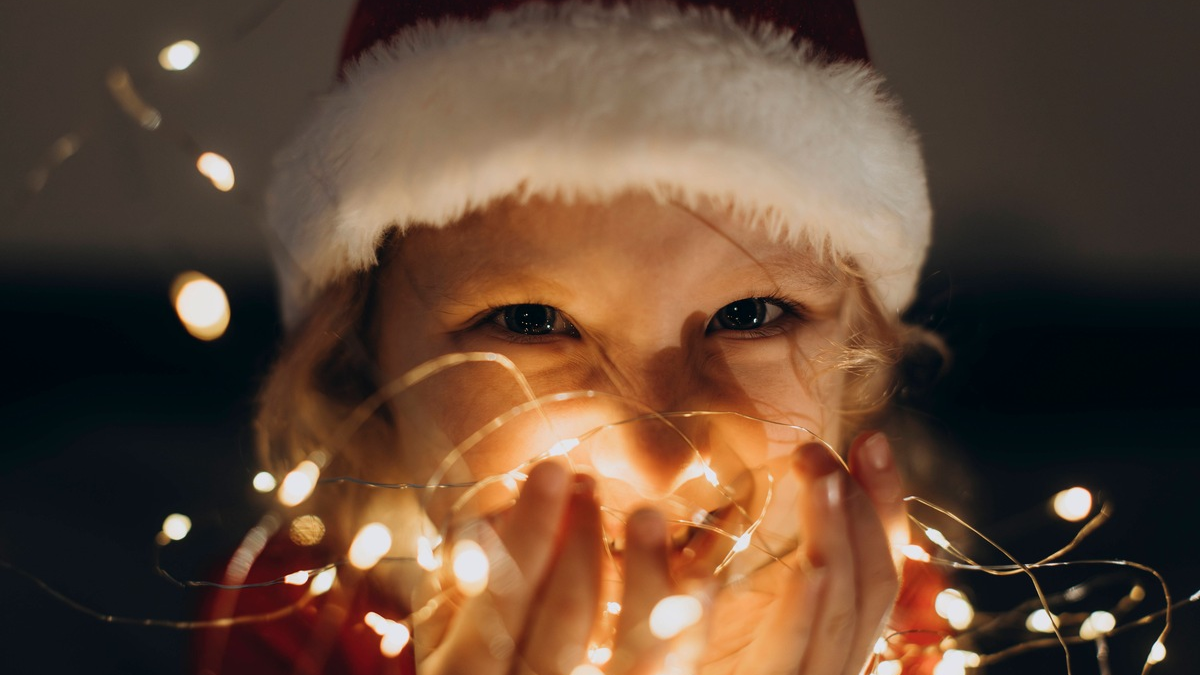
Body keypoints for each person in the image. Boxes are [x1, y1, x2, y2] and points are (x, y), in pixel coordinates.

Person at [195, 1, 948, 673]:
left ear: (856, 350)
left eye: (750, 315)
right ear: (364, 361)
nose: (659, 460)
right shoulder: (291, 624)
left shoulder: (882, 617)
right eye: (532, 322)